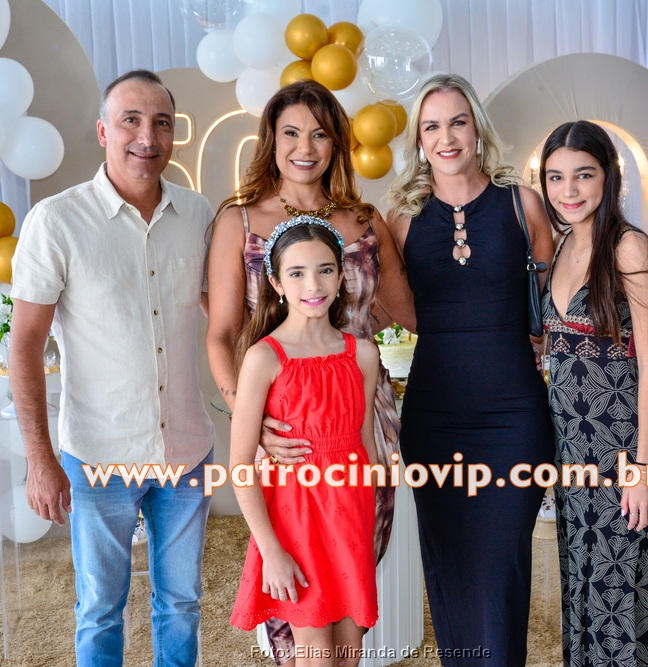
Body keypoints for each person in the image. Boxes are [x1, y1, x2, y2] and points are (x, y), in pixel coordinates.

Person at [10, 70, 216, 667]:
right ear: (103, 131)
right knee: (100, 607)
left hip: (186, 452)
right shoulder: (56, 221)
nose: (147, 137)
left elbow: (225, 320)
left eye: (161, 123)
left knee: (181, 604)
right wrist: (40, 460)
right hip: (98, 455)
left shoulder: (198, 214)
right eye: (130, 120)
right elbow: (25, 345)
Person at [206, 80, 414, 662]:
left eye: (320, 134)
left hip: (362, 418)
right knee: (299, 600)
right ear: (270, 142)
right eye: (291, 133)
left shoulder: (365, 221)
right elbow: (221, 334)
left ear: (338, 143)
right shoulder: (239, 220)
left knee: (350, 589)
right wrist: (253, 420)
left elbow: (410, 311)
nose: (306, 147)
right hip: (285, 420)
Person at [385, 73, 556, 665]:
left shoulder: (522, 203)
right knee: (450, 561)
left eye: (457, 121)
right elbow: (393, 308)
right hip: (433, 417)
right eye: (432, 126)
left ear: (477, 128)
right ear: (419, 140)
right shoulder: (402, 218)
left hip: (514, 418)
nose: (447, 137)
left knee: (503, 563)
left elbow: (552, 299)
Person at [539, 120, 648, 666]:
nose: (568, 190)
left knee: (622, 595)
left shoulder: (629, 247)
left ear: (609, 177)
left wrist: (644, 469)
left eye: (583, 174)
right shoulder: (561, 245)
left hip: (624, 448)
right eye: (555, 177)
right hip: (574, 453)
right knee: (583, 585)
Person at [228, 218, 380, 667]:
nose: (313, 285)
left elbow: (366, 446)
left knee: (349, 655)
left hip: (350, 520)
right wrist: (271, 551)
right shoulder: (264, 358)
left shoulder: (362, 354)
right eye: (296, 273)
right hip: (296, 526)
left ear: (341, 274)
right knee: (317, 656)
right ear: (276, 283)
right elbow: (240, 467)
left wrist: (366, 525)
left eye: (325, 269)